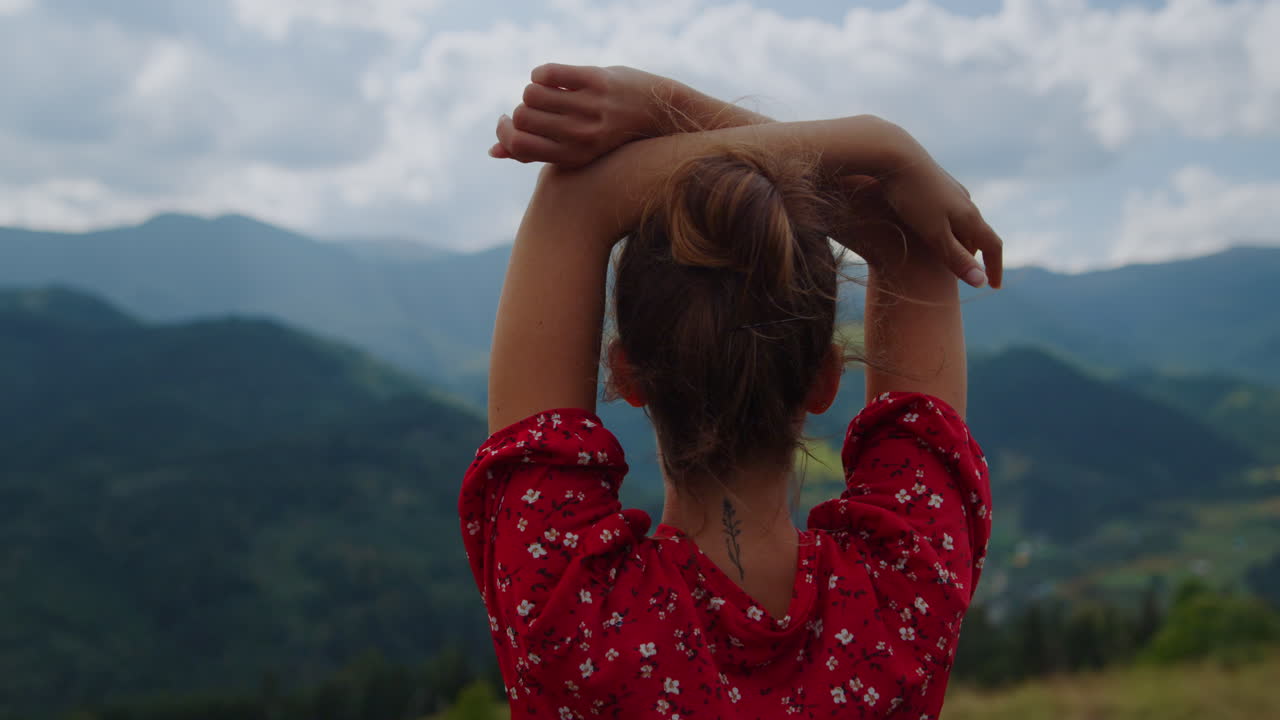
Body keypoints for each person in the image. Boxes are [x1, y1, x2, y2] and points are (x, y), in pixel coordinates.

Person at [460, 64, 1001, 719]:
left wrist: (881, 146)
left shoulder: (566, 611)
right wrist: (675, 105)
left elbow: (579, 200)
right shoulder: (908, 593)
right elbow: (908, 238)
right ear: (825, 380)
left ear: (626, 374)